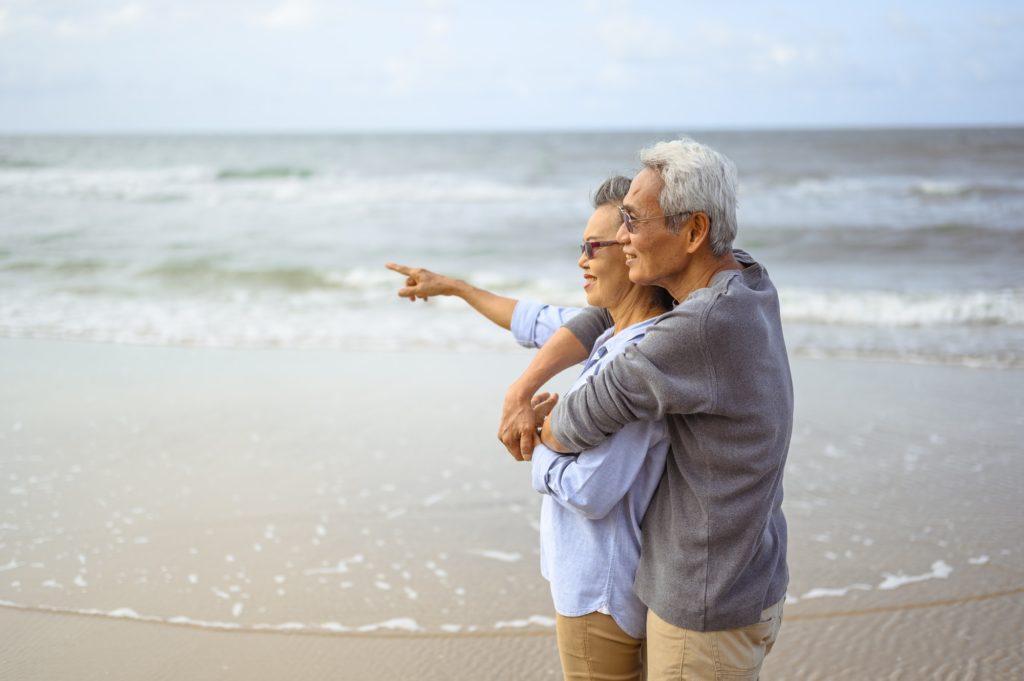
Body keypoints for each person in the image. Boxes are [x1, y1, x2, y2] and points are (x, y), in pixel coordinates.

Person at [501, 139, 793, 680]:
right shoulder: (745, 278)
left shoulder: (696, 330)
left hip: (702, 605)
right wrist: (524, 385)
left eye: (633, 221)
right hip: (750, 576)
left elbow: (578, 419)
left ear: (694, 231)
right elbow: (602, 318)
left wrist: (538, 430)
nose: (623, 239)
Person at [386, 176, 674, 681]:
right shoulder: (611, 333)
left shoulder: (635, 359)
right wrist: (453, 286)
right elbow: (534, 319)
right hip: (605, 582)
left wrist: (538, 445)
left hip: (598, 589)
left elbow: (592, 490)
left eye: (592, 247)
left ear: (631, 252)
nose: (581, 261)